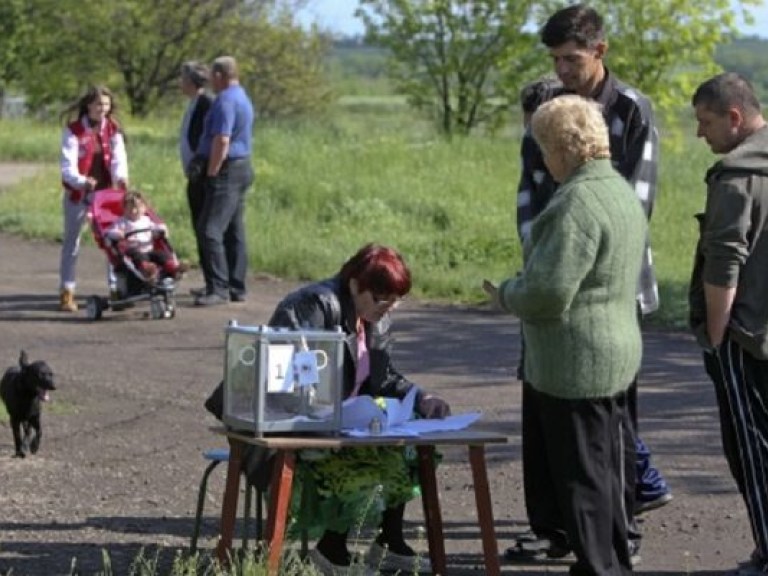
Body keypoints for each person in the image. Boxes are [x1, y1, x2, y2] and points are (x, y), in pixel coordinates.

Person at [509, 4, 671, 562]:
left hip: (609, 285)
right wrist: (543, 256)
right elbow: (529, 191)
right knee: (543, 410)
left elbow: (634, 202)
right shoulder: (546, 105)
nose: (562, 71)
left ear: (600, 51)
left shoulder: (631, 109)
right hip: (550, 268)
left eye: (572, 59)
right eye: (555, 60)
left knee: (608, 428)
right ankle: (553, 528)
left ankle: (616, 531)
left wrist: (571, 256)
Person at [205, 243, 450, 575]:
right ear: (354, 284)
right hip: (279, 424)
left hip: (339, 423)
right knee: (357, 460)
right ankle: (331, 551)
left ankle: (388, 542)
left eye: (396, 301)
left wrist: (421, 397)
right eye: (381, 299)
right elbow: (284, 375)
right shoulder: (314, 305)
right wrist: (326, 414)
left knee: (408, 450)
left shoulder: (376, 317)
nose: (388, 308)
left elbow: (382, 376)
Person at [489, 94, 647, 576]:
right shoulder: (618, 190)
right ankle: (610, 561)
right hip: (616, 352)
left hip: (575, 361)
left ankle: (599, 566)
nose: (540, 157)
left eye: (542, 146)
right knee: (609, 475)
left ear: (561, 148)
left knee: (582, 483)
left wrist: (506, 294)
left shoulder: (574, 202)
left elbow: (549, 293)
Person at [689, 72, 768, 576]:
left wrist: (717, 338)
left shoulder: (736, 176)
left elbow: (724, 264)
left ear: (734, 117)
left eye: (706, 121)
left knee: (752, 450)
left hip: (744, 336)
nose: (701, 134)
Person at [59, 85, 128, 312]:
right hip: (78, 194)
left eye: (106, 105)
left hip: (105, 195)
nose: (103, 109)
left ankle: (116, 288)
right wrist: (81, 181)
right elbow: (67, 166)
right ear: (88, 106)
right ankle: (67, 291)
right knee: (72, 242)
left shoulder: (113, 130)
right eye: (99, 104)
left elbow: (119, 159)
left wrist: (121, 178)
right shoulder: (74, 131)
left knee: (112, 241)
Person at [193, 56, 254, 306]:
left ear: (219, 75)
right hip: (242, 167)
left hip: (227, 170)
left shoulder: (226, 101)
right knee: (233, 228)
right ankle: (236, 285)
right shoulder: (242, 96)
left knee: (209, 229)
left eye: (212, 77)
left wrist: (212, 171)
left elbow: (222, 139)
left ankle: (218, 288)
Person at [105, 190, 188, 282]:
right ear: (124, 209)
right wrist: (118, 234)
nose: (133, 211)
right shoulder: (122, 222)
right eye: (130, 209)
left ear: (144, 208)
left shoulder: (146, 220)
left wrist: (160, 230)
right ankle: (148, 270)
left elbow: (156, 227)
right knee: (139, 256)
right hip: (133, 252)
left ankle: (174, 268)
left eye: (137, 208)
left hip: (149, 250)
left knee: (161, 255)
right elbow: (110, 232)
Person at [179, 61, 213, 272]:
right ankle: (207, 271)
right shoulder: (193, 103)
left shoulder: (206, 103)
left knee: (205, 225)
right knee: (198, 223)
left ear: (191, 81)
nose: (180, 83)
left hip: (203, 175)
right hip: (193, 174)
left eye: (183, 78)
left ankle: (213, 274)